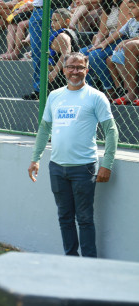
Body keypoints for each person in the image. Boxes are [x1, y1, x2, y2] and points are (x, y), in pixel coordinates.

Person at [28, 52, 118, 258]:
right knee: (64, 217)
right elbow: (44, 129)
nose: (75, 71)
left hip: (84, 168)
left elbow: (111, 131)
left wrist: (107, 164)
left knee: (84, 218)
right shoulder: (54, 96)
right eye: (71, 67)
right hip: (56, 167)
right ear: (64, 69)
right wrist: (35, 159)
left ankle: (88, 263)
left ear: (87, 70)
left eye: (79, 67)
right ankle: (70, 260)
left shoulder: (96, 97)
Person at [80, 0, 130, 98]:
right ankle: (88, 89)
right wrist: (96, 44)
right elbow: (102, 30)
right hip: (110, 39)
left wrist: (103, 44)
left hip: (123, 39)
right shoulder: (108, 1)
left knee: (95, 56)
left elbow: (121, 31)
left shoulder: (125, 1)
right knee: (82, 54)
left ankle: (110, 89)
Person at [107, 0, 139, 105]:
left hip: (133, 46)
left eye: (133, 7)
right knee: (113, 57)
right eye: (129, 7)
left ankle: (131, 92)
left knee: (129, 45)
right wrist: (102, 43)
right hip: (132, 48)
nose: (129, 10)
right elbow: (118, 33)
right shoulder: (131, 21)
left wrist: (126, 41)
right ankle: (126, 90)